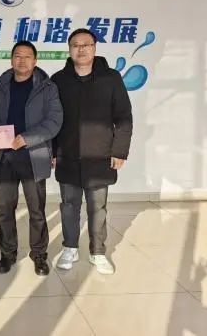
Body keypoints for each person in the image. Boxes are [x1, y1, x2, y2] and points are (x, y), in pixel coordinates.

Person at [51, 28, 133, 275]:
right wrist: (51, 151)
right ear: (69, 49)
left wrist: (120, 150)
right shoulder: (59, 80)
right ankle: (70, 248)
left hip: (100, 156)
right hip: (67, 155)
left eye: (86, 44)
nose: (81, 49)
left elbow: (124, 116)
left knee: (98, 208)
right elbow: (52, 120)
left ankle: (97, 251)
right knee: (69, 206)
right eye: (76, 45)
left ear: (95, 48)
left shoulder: (111, 78)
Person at [0, 40, 63, 276]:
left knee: (36, 209)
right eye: (17, 56)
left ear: (35, 60)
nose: (22, 61)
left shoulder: (47, 87)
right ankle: (7, 253)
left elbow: (54, 122)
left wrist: (27, 138)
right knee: (5, 209)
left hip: (34, 155)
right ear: (11, 59)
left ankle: (39, 254)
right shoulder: (1, 85)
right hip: (5, 157)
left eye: (27, 56)